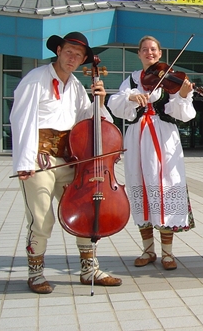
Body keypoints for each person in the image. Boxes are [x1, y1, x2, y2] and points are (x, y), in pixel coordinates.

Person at [10, 31, 122, 294]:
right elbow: (21, 120)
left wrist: (100, 101)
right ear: (58, 50)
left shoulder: (75, 86)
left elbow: (90, 121)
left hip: (69, 161)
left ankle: (89, 269)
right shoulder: (35, 79)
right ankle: (35, 274)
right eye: (69, 51)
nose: (73, 58)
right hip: (39, 159)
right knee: (41, 219)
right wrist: (25, 162)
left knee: (85, 212)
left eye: (79, 55)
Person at [107, 36, 196, 271]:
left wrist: (184, 95)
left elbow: (185, 114)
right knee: (140, 184)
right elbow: (113, 103)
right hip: (137, 137)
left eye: (154, 49)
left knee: (165, 185)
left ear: (160, 53)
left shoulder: (171, 79)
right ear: (139, 53)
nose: (150, 53)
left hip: (164, 136)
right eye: (145, 49)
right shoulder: (132, 80)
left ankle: (168, 253)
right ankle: (148, 249)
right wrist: (130, 97)